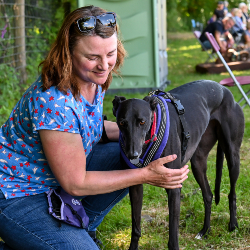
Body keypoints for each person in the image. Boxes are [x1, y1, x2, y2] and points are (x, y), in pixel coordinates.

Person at [0, 5, 189, 250]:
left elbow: (89, 127)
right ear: (68, 53)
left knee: (130, 152)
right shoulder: (55, 102)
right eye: (92, 57)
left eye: (110, 53)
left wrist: (144, 132)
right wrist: (146, 175)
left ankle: (78, 226)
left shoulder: (92, 79)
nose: (105, 65)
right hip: (18, 194)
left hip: (56, 178)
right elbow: (75, 183)